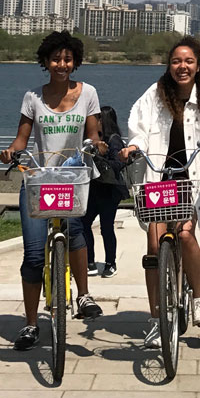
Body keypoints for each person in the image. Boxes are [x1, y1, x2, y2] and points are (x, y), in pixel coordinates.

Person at [0, 31, 106, 351]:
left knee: (75, 232)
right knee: (33, 256)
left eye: (68, 59)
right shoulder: (33, 97)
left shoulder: (88, 93)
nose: (62, 64)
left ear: (76, 62)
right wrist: (11, 151)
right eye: (56, 59)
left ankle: (83, 294)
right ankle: (30, 324)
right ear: (45, 62)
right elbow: (21, 139)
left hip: (73, 178)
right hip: (39, 178)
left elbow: (94, 132)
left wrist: (97, 145)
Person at [122, 36, 200, 347]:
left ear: (199, 66)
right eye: (176, 61)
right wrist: (133, 147)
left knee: (184, 234)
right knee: (154, 249)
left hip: (189, 179)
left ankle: (197, 298)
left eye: (189, 61)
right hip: (158, 178)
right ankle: (156, 319)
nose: (182, 67)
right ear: (169, 65)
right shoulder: (154, 96)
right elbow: (138, 128)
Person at [79, 105, 127, 280]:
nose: (93, 122)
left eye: (97, 118)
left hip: (109, 190)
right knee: (84, 224)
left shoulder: (114, 140)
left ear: (104, 121)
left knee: (107, 228)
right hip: (93, 189)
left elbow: (118, 164)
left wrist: (100, 157)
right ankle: (89, 262)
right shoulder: (90, 141)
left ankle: (110, 263)